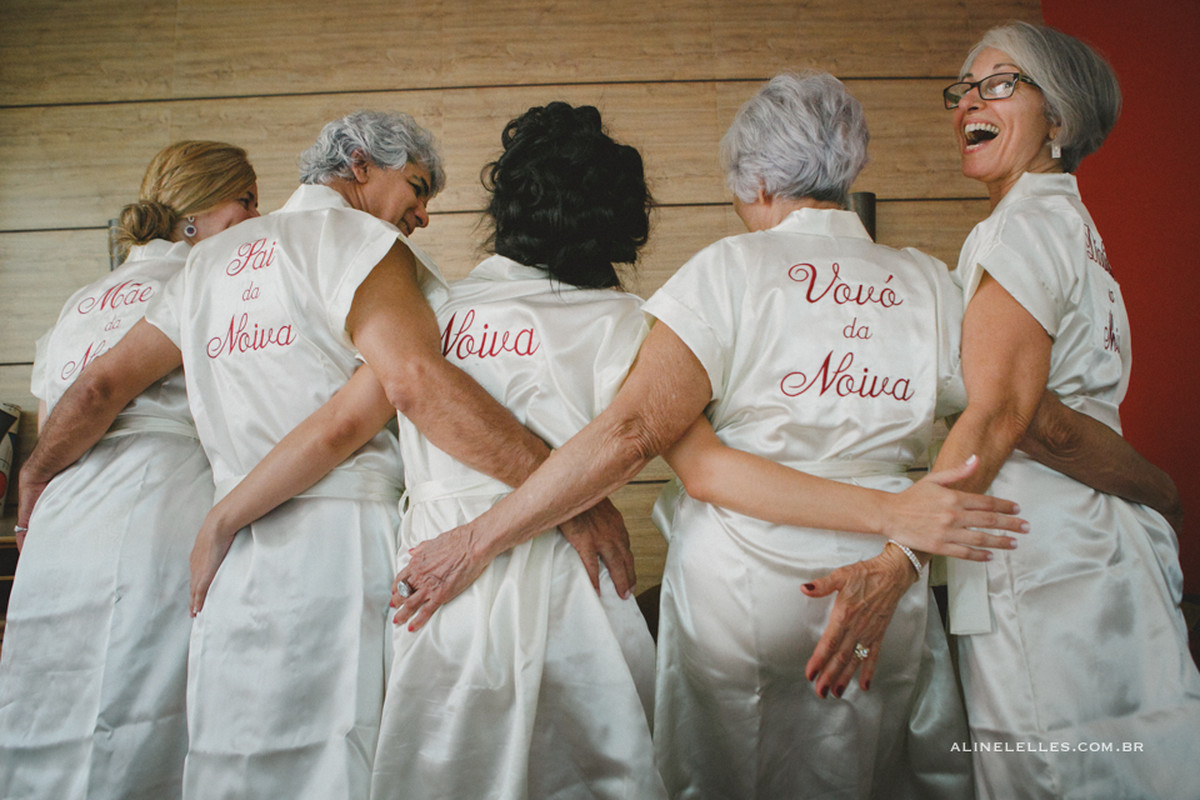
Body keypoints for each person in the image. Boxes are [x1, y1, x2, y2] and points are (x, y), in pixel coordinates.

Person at [391, 72, 1028, 799]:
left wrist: (476, 538)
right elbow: (994, 419)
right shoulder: (930, 283)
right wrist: (902, 544)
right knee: (870, 767)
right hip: (887, 573)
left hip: (741, 586)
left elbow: (644, 435)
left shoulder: (724, 270)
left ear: (760, 180)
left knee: (726, 774)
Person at [16, 110, 632, 800]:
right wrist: (565, 497)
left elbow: (100, 384)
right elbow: (404, 390)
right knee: (338, 758)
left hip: (228, 552)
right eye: (417, 187)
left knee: (230, 757)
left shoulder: (208, 262)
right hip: (341, 538)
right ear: (361, 164)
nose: (423, 215)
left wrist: (37, 469)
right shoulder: (362, 245)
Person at [930, 22, 1200, 799]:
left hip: (1041, 554)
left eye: (999, 84)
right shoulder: (1074, 228)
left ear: (1058, 117)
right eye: (964, 90)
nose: (970, 102)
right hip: (1103, 549)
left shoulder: (1021, 228)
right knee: (1136, 763)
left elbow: (1026, 418)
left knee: (1051, 772)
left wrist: (900, 551)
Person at [0, 141, 259, 799]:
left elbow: (54, 412)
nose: (258, 218)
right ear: (197, 210)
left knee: (45, 701)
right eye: (247, 200)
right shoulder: (209, 282)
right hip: (157, 504)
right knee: (144, 706)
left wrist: (39, 476)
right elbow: (97, 392)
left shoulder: (80, 301)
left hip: (60, 526)